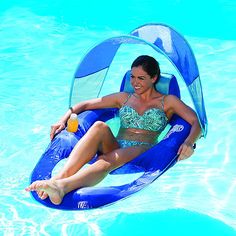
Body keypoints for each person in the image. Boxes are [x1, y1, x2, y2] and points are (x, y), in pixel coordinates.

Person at [26, 55, 201, 205]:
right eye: (132, 77)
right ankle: (56, 180)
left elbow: (196, 121)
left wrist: (189, 142)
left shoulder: (168, 101)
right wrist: (62, 121)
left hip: (142, 149)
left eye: (141, 78)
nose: (134, 82)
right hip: (117, 145)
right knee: (98, 127)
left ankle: (63, 187)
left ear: (154, 78)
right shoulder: (124, 98)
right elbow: (85, 104)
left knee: (106, 160)